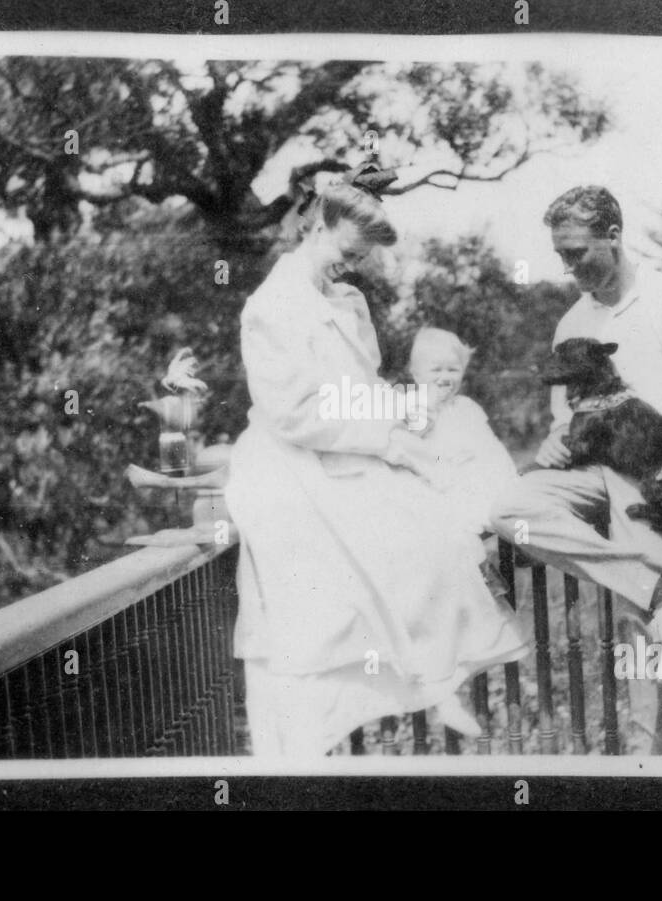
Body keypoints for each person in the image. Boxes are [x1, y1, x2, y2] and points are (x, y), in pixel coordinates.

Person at [225, 179, 529, 757]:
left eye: (362, 258)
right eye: (347, 252)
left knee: (439, 535)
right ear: (315, 226)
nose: (354, 266)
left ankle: (435, 676)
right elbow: (292, 414)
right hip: (294, 457)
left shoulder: (346, 301)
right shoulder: (272, 306)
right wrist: (385, 442)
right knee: (351, 579)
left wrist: (399, 421)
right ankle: (354, 715)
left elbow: (359, 387)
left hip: (350, 442)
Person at [490, 185, 662, 669]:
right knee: (509, 508)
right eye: (561, 255)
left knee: (641, 634)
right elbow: (568, 417)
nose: (568, 268)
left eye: (577, 253)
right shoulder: (571, 324)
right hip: (592, 472)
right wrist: (555, 439)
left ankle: (655, 739)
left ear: (613, 235)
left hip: (661, 477)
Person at [405, 327, 519, 540]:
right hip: (439, 478)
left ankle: (511, 524)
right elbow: (414, 448)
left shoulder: (467, 407)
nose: (445, 377)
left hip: (474, 475)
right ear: (416, 374)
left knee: (494, 486)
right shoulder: (414, 407)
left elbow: (490, 447)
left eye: (453, 370)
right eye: (436, 370)